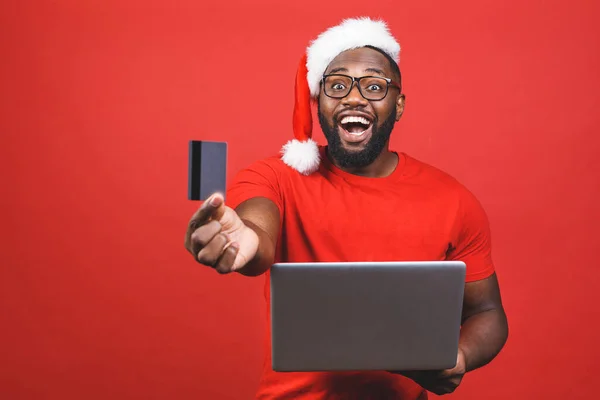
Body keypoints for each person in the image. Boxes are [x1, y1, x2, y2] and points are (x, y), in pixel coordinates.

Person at [184, 17, 508, 400]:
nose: (354, 99)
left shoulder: (453, 199)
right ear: (317, 101)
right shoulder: (274, 176)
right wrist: (244, 241)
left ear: (399, 105)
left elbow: (487, 312)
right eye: (337, 86)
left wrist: (462, 355)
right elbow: (258, 232)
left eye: (374, 86)